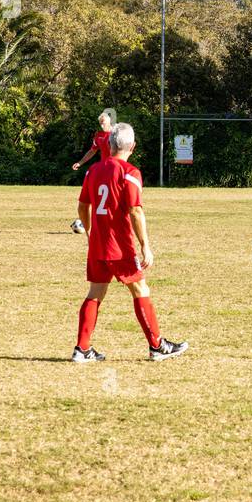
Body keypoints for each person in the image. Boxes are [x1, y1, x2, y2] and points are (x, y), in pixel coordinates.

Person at [72, 122, 188, 362]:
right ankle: (157, 346)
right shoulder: (130, 172)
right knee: (140, 289)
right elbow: (135, 211)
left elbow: (83, 206)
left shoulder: (92, 171)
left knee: (95, 292)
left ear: (110, 144)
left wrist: (89, 232)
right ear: (132, 146)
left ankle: (82, 349)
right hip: (120, 246)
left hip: (98, 244)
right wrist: (145, 245)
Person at [71, 111, 114, 233]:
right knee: (96, 198)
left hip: (114, 170)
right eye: (100, 123)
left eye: (103, 123)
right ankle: (92, 224)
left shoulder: (115, 135)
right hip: (103, 170)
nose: (101, 125)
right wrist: (80, 163)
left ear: (109, 122)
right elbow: (92, 151)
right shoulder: (99, 135)